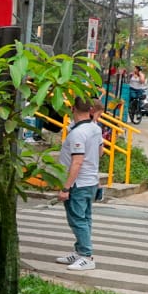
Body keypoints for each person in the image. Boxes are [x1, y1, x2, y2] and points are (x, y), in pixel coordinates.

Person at [54, 98, 104, 271]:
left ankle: (86, 255)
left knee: (77, 220)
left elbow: (77, 162)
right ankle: (80, 251)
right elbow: (101, 152)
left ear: (72, 108)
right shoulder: (95, 128)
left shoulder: (77, 133)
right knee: (85, 218)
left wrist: (66, 187)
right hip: (90, 180)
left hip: (79, 182)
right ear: (90, 109)